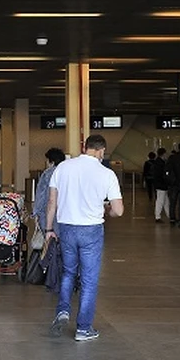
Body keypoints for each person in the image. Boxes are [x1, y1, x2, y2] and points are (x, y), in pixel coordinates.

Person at [45, 134, 124, 342]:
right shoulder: (107, 173)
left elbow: (52, 202)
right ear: (101, 151)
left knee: (68, 273)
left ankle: (62, 311)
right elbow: (119, 210)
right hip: (91, 229)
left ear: (85, 147)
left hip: (67, 227)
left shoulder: (62, 168)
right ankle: (83, 328)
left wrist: (48, 230)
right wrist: (107, 209)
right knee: (89, 280)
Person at [34, 148, 66, 230]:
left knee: (50, 239)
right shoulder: (68, 172)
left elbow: (41, 195)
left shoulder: (47, 174)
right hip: (66, 215)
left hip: (48, 213)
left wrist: (37, 213)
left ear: (52, 161)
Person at [152, 148, 169, 223]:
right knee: (161, 201)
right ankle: (157, 216)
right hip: (161, 184)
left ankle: (169, 215)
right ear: (164, 154)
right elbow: (162, 174)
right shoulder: (161, 163)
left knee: (165, 201)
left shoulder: (158, 162)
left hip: (159, 184)